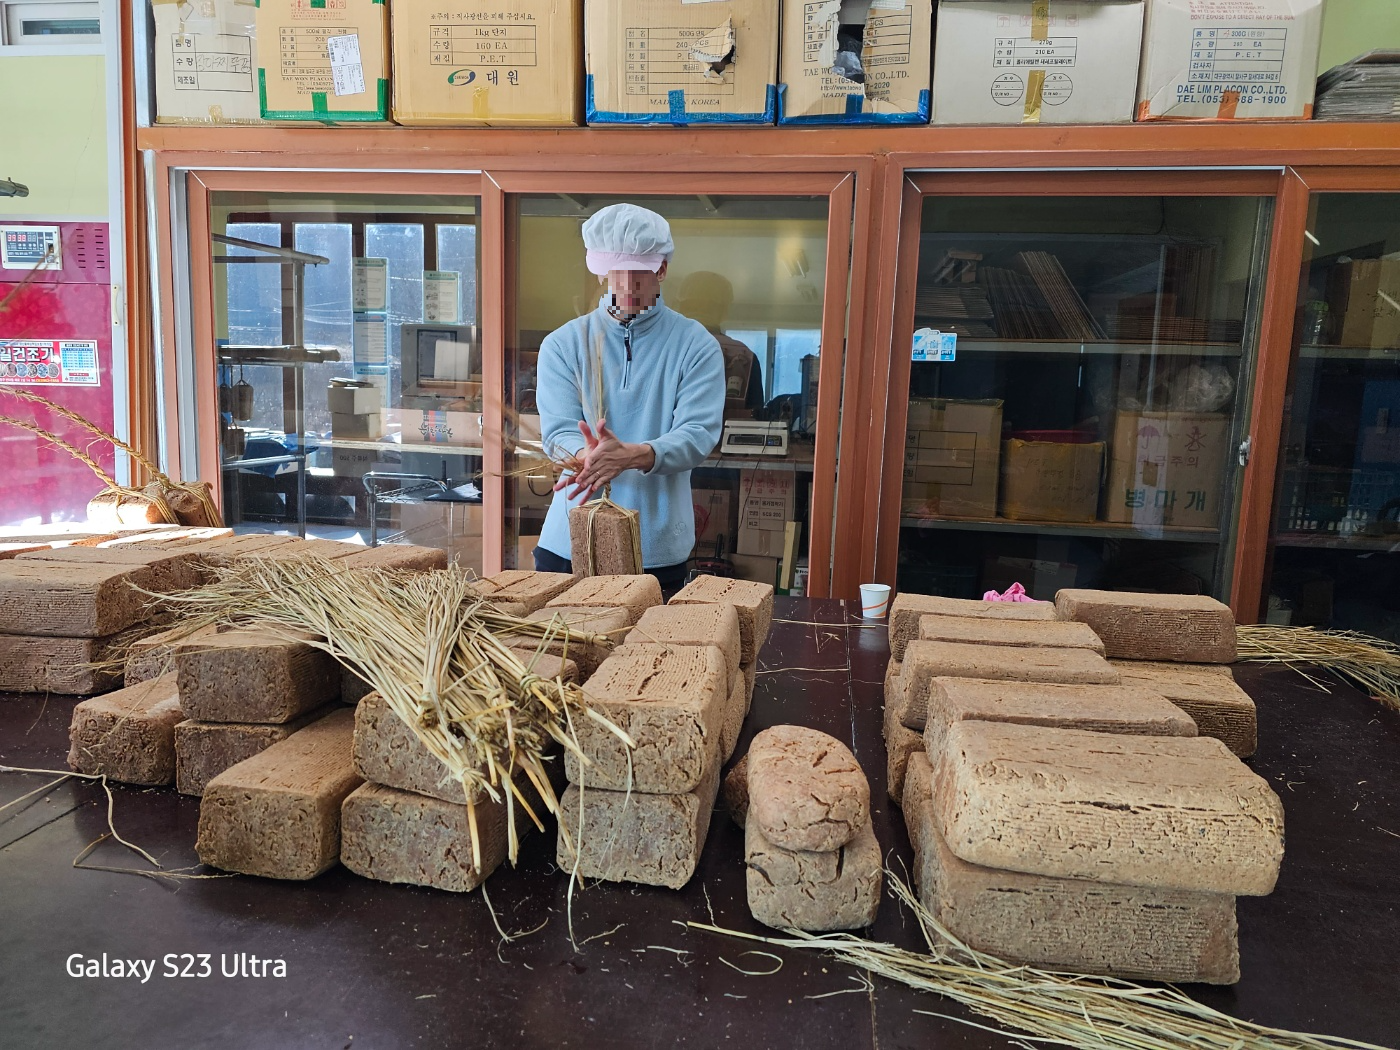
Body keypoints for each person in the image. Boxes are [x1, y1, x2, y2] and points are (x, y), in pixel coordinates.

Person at [533, 204, 727, 591]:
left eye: (639, 272)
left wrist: (635, 455)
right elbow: (556, 432)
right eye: (616, 271)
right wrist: (588, 455)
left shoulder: (696, 346)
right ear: (601, 270)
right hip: (569, 542)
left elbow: (697, 433)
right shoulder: (563, 344)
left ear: (662, 269)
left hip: (655, 548)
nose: (626, 284)